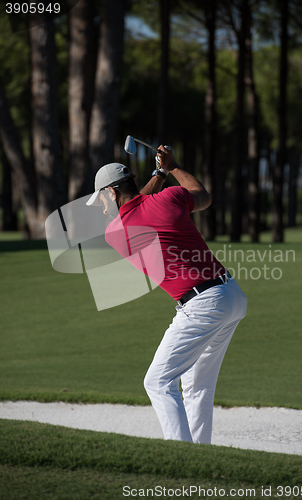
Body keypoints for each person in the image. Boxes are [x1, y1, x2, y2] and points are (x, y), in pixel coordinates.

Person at [86, 146, 247, 444]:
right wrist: (170, 169)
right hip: (231, 295)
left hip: (202, 304)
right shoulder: (171, 197)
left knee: (158, 382)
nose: (102, 207)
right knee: (196, 384)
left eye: (102, 200)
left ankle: (182, 457)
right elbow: (201, 194)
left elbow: (134, 205)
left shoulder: (116, 231)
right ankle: (199, 456)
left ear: (110, 193)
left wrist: (158, 175)